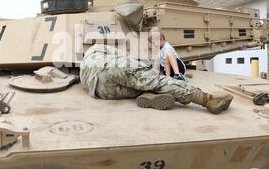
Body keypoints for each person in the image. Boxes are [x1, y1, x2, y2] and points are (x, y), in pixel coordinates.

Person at [80, 44, 233, 115]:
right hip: (112, 70)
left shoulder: (84, 63)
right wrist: (149, 71)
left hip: (99, 90)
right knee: (155, 81)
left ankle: (148, 96)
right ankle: (207, 100)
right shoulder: (102, 49)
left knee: (136, 86)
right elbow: (125, 59)